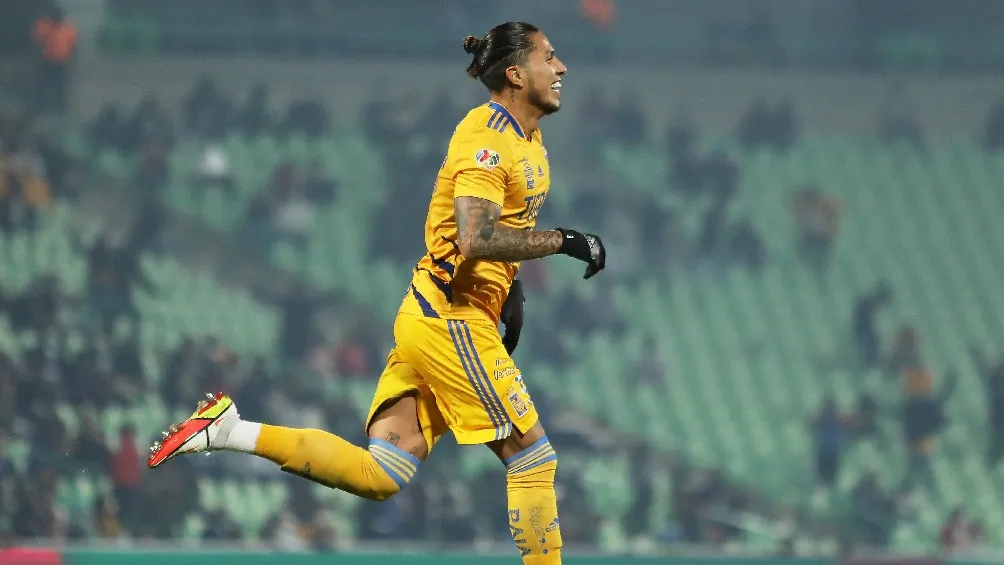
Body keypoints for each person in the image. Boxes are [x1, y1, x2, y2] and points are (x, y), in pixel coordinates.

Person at [147, 22, 605, 565]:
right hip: (450, 318)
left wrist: (511, 287)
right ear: (516, 73)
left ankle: (230, 431)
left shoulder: (528, 138)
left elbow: (494, 229)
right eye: (549, 57)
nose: (561, 67)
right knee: (533, 460)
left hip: (437, 314)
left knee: (381, 474)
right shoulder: (487, 140)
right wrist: (563, 240)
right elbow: (474, 236)